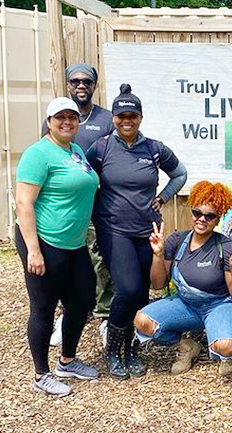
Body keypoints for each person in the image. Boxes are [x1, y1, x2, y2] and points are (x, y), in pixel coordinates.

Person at [86, 84, 188, 380]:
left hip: (147, 230)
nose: (126, 120)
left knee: (142, 294)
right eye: (121, 115)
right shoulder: (101, 148)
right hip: (113, 229)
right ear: (114, 118)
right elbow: (85, 180)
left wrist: (165, 196)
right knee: (127, 289)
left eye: (132, 114)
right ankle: (112, 351)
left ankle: (131, 351)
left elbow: (180, 173)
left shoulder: (154, 149)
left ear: (140, 117)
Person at [15, 97, 100, 397]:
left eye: (72, 117)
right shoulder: (38, 154)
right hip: (45, 241)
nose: (67, 122)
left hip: (74, 244)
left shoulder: (75, 150)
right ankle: (41, 374)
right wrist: (33, 250)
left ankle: (67, 360)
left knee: (83, 300)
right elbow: (24, 202)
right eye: (60, 117)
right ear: (49, 122)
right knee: (43, 308)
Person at [134, 181, 232, 376]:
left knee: (226, 346)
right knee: (142, 321)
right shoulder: (177, 241)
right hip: (186, 305)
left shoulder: (225, 246)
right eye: (197, 213)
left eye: (209, 216)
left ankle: (224, 351)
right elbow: (158, 284)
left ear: (218, 218)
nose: (202, 219)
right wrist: (158, 255)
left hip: (220, 305)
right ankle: (186, 347)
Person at [46, 64, 115, 347]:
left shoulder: (107, 119)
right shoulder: (54, 121)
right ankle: (67, 315)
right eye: (75, 81)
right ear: (68, 84)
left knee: (99, 261)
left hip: (98, 205)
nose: (81, 85)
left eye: (87, 81)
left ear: (95, 85)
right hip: (67, 209)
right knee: (64, 263)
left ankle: (103, 315)